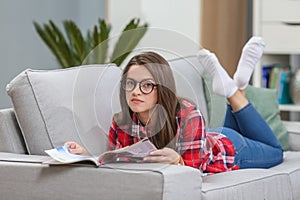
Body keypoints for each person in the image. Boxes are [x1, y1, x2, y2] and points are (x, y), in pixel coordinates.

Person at [65, 36, 283, 174]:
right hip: (204, 139)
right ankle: (238, 85)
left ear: (162, 89)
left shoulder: (188, 114)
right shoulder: (121, 121)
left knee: (276, 152)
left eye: (146, 85)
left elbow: (195, 171)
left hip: (229, 149)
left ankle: (234, 91)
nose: (136, 91)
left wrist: (178, 161)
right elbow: (117, 165)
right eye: (130, 84)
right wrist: (87, 156)